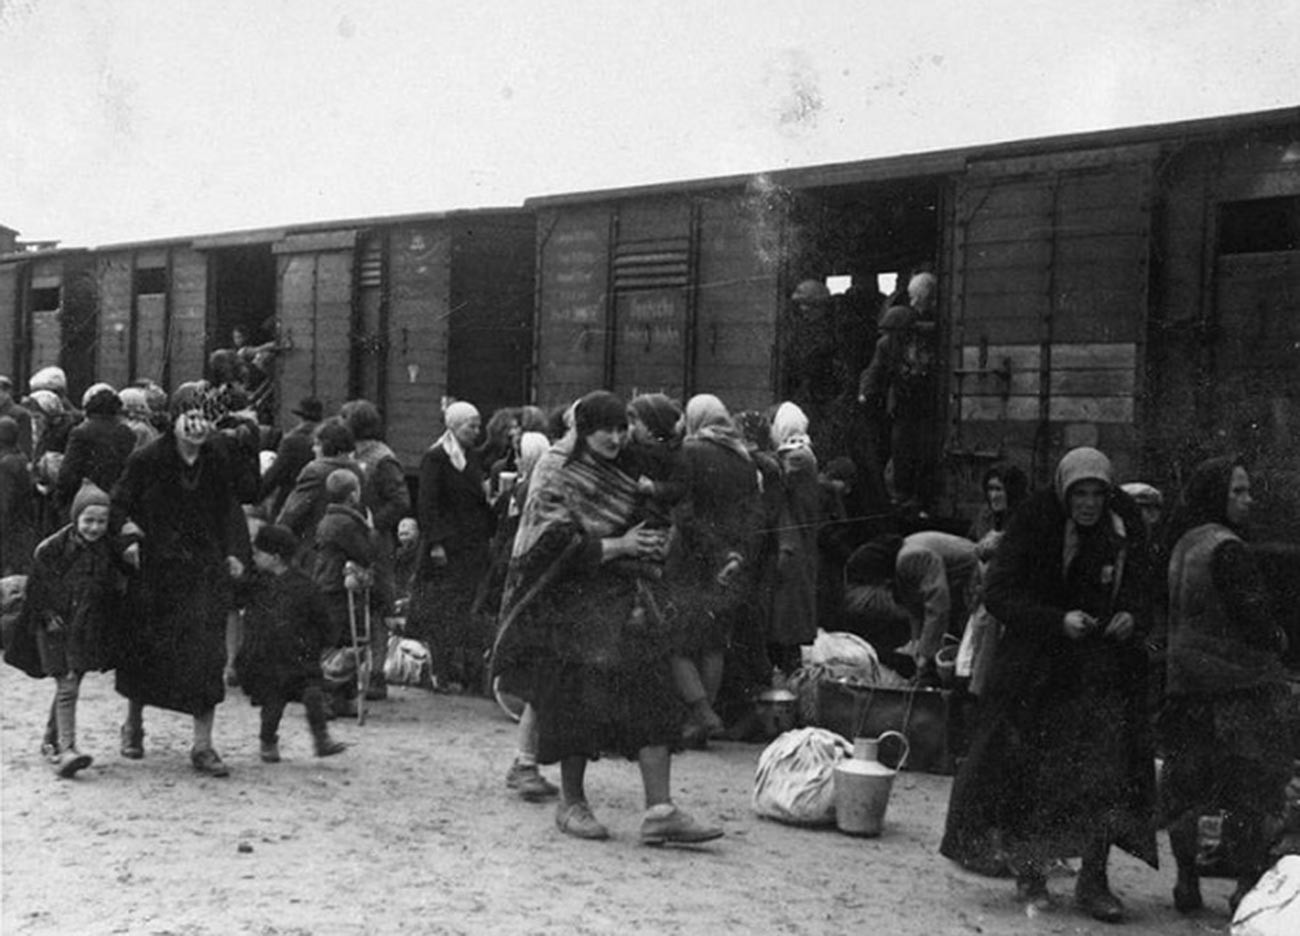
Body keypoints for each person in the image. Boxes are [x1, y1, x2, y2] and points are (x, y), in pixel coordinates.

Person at [492, 390, 722, 845]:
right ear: (583, 429)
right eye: (606, 430)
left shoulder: (630, 465)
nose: (616, 438)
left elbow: (660, 506)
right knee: (577, 708)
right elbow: (548, 545)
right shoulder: (556, 470)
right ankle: (572, 804)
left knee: (652, 698)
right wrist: (621, 546)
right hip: (574, 608)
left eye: (622, 428)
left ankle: (660, 810)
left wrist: (658, 540)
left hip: (627, 601)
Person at [940, 447, 1157, 922]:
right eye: (1080, 494)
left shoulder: (1124, 525)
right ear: (1065, 491)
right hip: (1039, 672)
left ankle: (1093, 882)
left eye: (1098, 494)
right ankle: (1032, 873)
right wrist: (1057, 620)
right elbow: (998, 594)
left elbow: (1147, 587)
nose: (1089, 504)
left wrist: (1131, 616)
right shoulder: (1035, 522)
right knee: (1034, 773)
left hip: (1101, 673)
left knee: (1104, 775)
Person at [1160, 456, 1291, 914]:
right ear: (1218, 494)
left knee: (1189, 789)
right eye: (1238, 491)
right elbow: (1255, 623)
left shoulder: (1184, 544)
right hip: (1234, 692)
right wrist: (1278, 638)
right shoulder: (1229, 548)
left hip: (1185, 688)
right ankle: (1246, 884)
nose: (1248, 499)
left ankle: (1187, 880)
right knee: (1250, 790)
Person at [111, 384, 251, 777]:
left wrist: (236, 552)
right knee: (146, 651)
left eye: (206, 418)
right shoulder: (147, 460)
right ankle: (133, 725)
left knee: (208, 657)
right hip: (156, 571)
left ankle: (203, 746)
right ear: (174, 419)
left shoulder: (217, 460)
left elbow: (231, 509)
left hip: (203, 573)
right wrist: (128, 536)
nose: (198, 426)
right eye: (190, 417)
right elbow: (119, 504)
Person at [5, 481, 123, 777]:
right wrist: (47, 615)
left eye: (101, 522)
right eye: (88, 521)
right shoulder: (52, 549)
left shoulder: (107, 549)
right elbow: (37, 590)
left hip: (85, 626)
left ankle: (51, 741)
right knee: (67, 684)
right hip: (54, 625)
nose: (94, 528)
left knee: (72, 682)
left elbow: (113, 585)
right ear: (75, 518)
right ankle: (68, 749)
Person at [667, 394, 762, 747]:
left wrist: (713, 551)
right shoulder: (743, 457)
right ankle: (700, 724)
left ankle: (702, 713)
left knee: (674, 640)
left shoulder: (689, 452)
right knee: (713, 643)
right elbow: (756, 515)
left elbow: (684, 513)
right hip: (731, 564)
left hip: (693, 560)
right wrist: (736, 555)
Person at [234, 523, 346, 763]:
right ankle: (267, 741)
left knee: (313, 694)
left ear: (275, 557)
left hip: (299, 657)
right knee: (272, 705)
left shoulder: (305, 587)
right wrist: (236, 576)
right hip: (267, 660)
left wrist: (323, 642)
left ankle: (321, 738)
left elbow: (323, 619)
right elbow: (234, 597)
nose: (253, 557)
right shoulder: (255, 582)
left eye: (258, 553)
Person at [411, 400, 496, 693]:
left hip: (471, 544)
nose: (477, 430)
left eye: (477, 424)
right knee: (445, 609)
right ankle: (441, 672)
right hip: (449, 547)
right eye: (471, 425)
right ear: (454, 426)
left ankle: (457, 671)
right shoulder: (437, 458)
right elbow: (428, 504)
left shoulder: (469, 456)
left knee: (462, 608)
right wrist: (436, 543)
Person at [340, 398, 411, 700]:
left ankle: (377, 673)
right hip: (353, 538)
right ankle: (350, 671)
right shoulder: (352, 454)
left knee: (379, 606)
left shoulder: (383, 458)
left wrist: (374, 523)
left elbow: (401, 501)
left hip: (375, 542)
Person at [312, 469, 380, 716]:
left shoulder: (329, 519)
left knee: (340, 640)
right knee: (344, 642)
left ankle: (340, 696)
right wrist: (371, 531)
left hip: (327, 583)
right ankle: (329, 697)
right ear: (353, 495)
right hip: (339, 587)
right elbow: (366, 552)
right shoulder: (348, 523)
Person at [764, 402, 822, 677]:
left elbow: (775, 477)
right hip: (794, 545)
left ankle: (792, 691)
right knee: (785, 628)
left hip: (792, 547)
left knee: (786, 628)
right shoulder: (799, 453)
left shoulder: (797, 457)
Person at [276, 418, 365, 569]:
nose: (314, 449)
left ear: (327, 446)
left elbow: (293, 512)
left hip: (314, 551)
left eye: (317, 444)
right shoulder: (358, 471)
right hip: (349, 549)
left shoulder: (315, 471)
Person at [56, 384, 136, 516]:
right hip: (116, 501)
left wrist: (61, 501)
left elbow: (69, 471)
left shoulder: (81, 432)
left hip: (85, 501)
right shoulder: (127, 433)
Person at [260, 397, 324, 518]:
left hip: (291, 498)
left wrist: (256, 496)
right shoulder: (327, 437)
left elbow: (276, 473)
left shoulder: (292, 441)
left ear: (300, 417)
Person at [0, 416, 37, 576]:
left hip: (9, 528)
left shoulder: (5, 464)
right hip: (24, 524)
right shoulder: (21, 458)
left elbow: (5, 502)